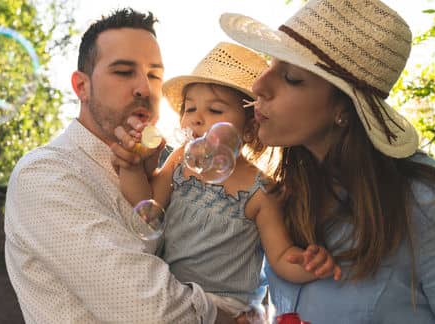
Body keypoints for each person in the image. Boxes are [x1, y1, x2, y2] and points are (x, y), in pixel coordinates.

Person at [218, 0, 435, 322]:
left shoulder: (428, 206)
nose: (259, 85)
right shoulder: (286, 195)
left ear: (345, 109)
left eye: (291, 77)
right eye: (271, 64)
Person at [4, 8, 223, 323]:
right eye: (123, 72)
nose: (144, 89)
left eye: (154, 75)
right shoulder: (44, 174)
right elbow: (151, 310)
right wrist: (232, 316)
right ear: (82, 86)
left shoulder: (172, 170)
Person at [112, 42, 341, 321]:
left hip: (226, 307)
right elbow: (146, 206)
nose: (196, 118)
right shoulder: (182, 161)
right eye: (190, 108)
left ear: (249, 127)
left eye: (216, 111)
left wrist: (309, 264)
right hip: (173, 292)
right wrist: (132, 167)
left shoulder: (261, 190)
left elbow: (280, 257)